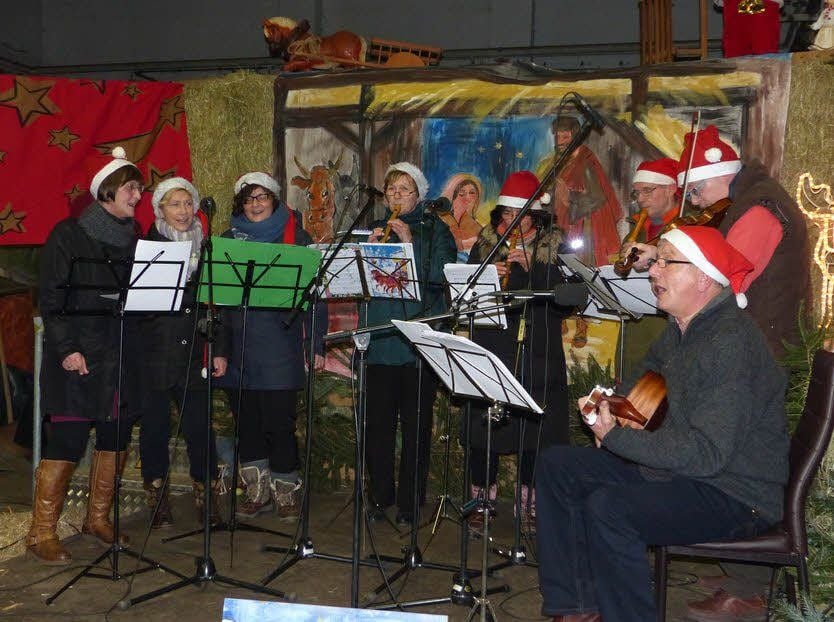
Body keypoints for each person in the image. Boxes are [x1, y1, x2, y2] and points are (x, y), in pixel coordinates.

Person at [535, 225, 789, 622]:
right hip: (683, 474)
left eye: (667, 262)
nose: (654, 271)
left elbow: (707, 455)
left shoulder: (731, 344)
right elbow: (645, 382)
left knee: (610, 508)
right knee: (558, 466)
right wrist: (609, 406)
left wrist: (617, 437)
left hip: (735, 493)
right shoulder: (682, 329)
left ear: (704, 277)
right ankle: (578, 607)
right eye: (657, 261)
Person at [27, 147, 143, 564]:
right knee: (68, 440)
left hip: (119, 354)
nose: (137, 196)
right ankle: (41, 533)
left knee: (115, 436)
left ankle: (97, 519)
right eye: (132, 188)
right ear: (109, 191)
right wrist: (67, 349)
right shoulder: (68, 235)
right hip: (79, 354)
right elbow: (52, 297)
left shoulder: (136, 238)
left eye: (140, 189)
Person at [628, 124, 809, 359]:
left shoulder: (758, 210)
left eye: (695, 190)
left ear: (721, 174)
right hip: (755, 341)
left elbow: (726, 280)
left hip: (765, 348)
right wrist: (659, 257)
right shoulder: (744, 203)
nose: (695, 201)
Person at [464, 171, 573, 535]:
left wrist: (537, 269)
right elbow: (463, 292)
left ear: (535, 215)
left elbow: (567, 300)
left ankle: (530, 503)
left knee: (533, 429)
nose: (512, 221)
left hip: (537, 350)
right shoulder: (485, 244)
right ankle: (481, 498)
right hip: (492, 344)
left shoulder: (555, 246)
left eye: (520, 214)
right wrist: (484, 276)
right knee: (485, 427)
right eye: (507, 214)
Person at [217, 172, 325, 520]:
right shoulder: (226, 240)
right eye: (249, 199)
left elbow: (315, 299)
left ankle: (286, 492)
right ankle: (256, 489)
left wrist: (316, 345)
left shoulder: (297, 237)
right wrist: (219, 350)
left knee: (279, 423)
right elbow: (216, 303)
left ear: (274, 200)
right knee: (246, 422)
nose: (256, 204)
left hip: (280, 346)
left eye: (262, 197)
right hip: (238, 347)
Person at [363, 162, 456, 526]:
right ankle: (378, 496)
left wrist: (407, 245)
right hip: (382, 340)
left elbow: (439, 279)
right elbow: (366, 287)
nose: (396, 196)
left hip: (417, 344)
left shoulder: (436, 230)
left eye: (404, 189)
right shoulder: (375, 228)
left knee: (415, 427)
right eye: (391, 190)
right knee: (378, 428)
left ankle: (408, 502)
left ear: (419, 195)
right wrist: (367, 255)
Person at [136, 177, 228, 528]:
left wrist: (218, 349)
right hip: (155, 354)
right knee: (155, 429)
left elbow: (221, 308)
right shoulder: (148, 246)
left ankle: (207, 499)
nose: (184, 211)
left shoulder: (209, 247)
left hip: (195, 353)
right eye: (175, 204)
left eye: (188, 203)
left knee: (200, 429)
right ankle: (157, 499)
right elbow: (142, 306)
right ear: (161, 209)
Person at [537, 116, 622, 348]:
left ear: (575, 136)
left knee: (580, 273)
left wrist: (570, 197)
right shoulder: (557, 162)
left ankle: (582, 323)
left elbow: (597, 197)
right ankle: (561, 316)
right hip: (560, 226)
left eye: (566, 135)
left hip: (583, 229)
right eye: (558, 135)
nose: (561, 140)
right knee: (559, 271)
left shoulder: (585, 161)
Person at [617, 157, 682, 378]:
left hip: (671, 329)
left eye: (648, 191)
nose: (641, 199)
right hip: (637, 327)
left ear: (671, 189)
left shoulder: (688, 226)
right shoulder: (636, 231)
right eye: (637, 193)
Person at [438, 173, 484, 262]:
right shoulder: (440, 220)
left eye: (472, 193)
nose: (468, 198)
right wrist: (464, 244)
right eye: (462, 194)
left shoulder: (476, 225)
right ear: (452, 196)